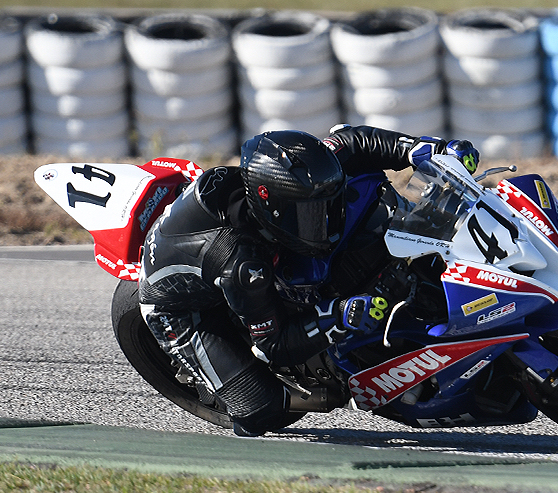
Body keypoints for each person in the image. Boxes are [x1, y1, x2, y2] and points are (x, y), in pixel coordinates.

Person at [138, 124, 479, 437]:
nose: (328, 220)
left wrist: (427, 150)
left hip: (233, 252)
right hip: (180, 308)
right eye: (312, 215)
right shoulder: (240, 263)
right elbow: (275, 345)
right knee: (259, 412)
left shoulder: (307, 174)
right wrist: (338, 316)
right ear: (273, 209)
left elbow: (353, 141)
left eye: (330, 205)